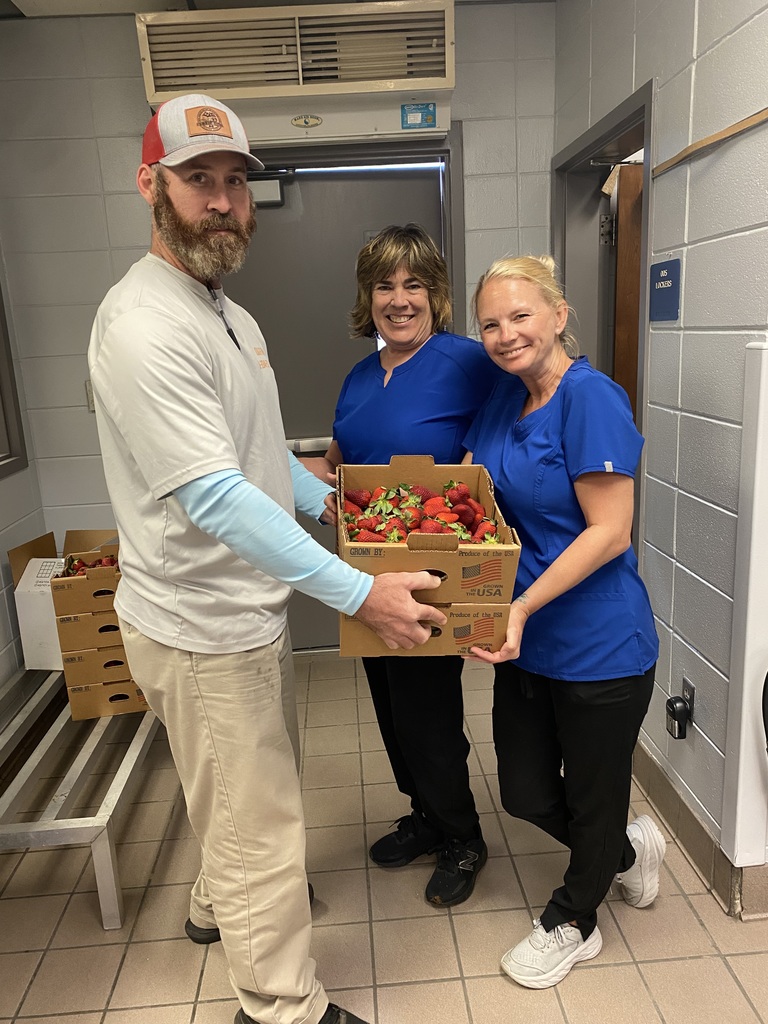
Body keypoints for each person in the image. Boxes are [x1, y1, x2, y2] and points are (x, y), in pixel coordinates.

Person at [87, 93, 448, 1024]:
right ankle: (280, 1004)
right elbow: (211, 496)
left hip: (245, 616)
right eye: (197, 180)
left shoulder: (228, 317)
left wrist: (335, 506)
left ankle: (219, 905)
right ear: (151, 186)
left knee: (244, 796)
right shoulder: (143, 324)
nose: (221, 200)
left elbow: (258, 459)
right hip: (200, 626)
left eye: (236, 182)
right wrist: (361, 589)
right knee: (260, 820)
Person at [463, 255, 664, 989]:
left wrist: (516, 603)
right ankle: (628, 853)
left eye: (520, 315)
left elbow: (610, 531)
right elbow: (468, 492)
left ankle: (575, 920)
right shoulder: (502, 400)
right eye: (490, 323)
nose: (506, 333)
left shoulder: (592, 399)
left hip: (599, 643)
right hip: (522, 639)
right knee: (523, 791)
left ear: (558, 314)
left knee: (591, 792)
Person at [312, 224, 502, 907]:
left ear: (435, 294)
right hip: (365, 569)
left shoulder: (466, 360)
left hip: (434, 566)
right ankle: (423, 814)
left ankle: (461, 836)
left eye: (413, 284)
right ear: (368, 296)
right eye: (384, 285)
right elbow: (340, 459)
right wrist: (304, 483)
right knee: (389, 706)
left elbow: (520, 417)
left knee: (427, 712)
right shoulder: (360, 376)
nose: (398, 299)